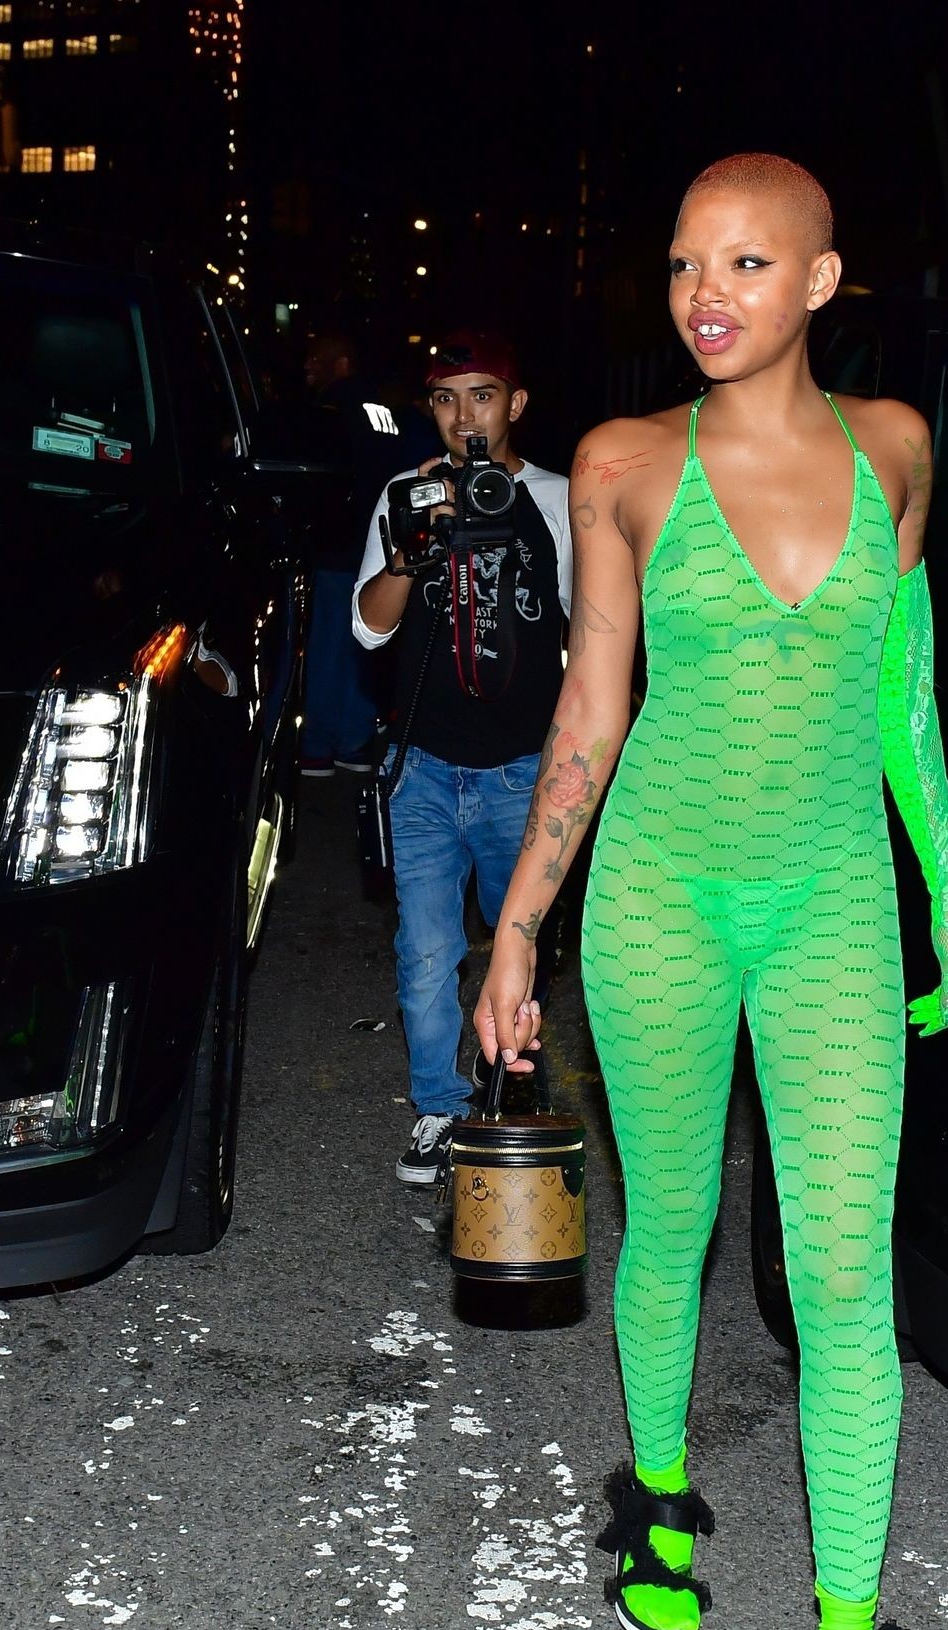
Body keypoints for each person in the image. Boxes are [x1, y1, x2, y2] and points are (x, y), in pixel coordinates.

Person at [473, 155, 948, 1630]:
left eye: (748, 264)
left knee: (841, 1275)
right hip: (660, 902)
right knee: (673, 1223)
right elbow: (590, 712)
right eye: (688, 263)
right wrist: (517, 930)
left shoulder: (894, 448)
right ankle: (659, 1495)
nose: (707, 294)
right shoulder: (622, 464)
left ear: (821, 282)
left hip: (830, 901)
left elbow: (903, 692)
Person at [353, 330, 572, 1183]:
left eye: (482, 395)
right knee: (426, 952)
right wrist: (411, 552)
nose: (464, 415)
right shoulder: (406, 492)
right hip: (425, 769)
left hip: (520, 769)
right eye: (445, 398)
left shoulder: (560, 498)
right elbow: (369, 627)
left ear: (516, 403)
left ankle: (504, 1091)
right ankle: (440, 1108)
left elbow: (592, 632)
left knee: (518, 943)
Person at [300, 328, 429, 776]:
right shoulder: (383, 410)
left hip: (335, 547)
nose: (307, 365)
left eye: (316, 358)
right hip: (376, 543)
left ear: (341, 363)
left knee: (326, 650)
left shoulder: (330, 408)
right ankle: (353, 740)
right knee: (360, 646)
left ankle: (316, 745)